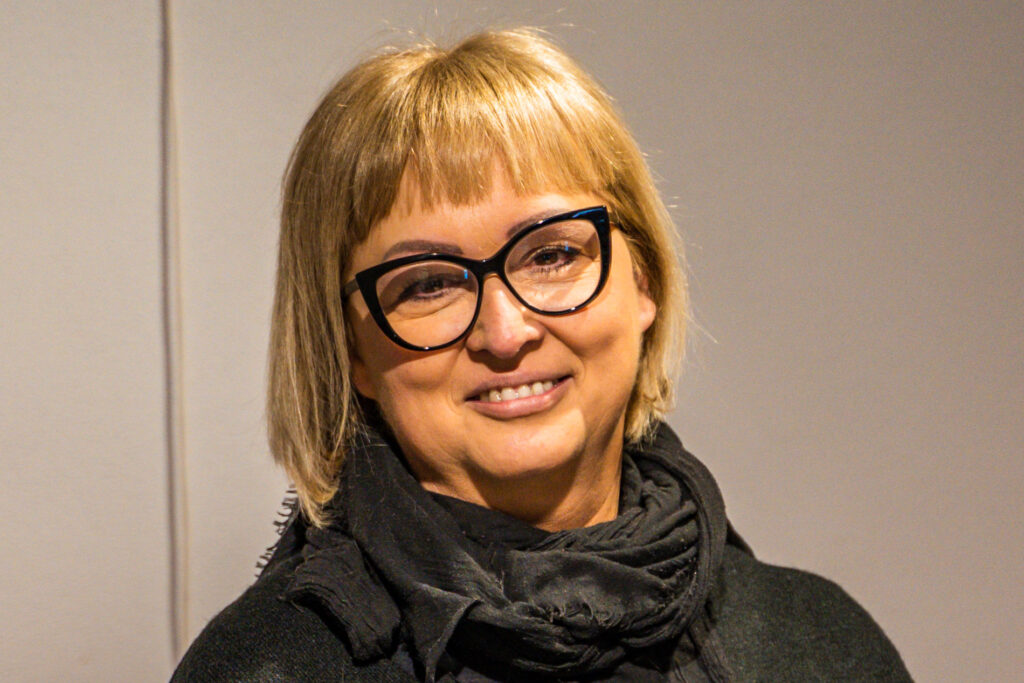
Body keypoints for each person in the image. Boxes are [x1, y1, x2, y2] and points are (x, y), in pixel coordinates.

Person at [172, 28, 911, 682]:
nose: (505, 332)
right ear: (350, 353)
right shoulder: (268, 669)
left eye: (552, 254)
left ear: (644, 281)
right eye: (428, 283)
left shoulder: (821, 646)